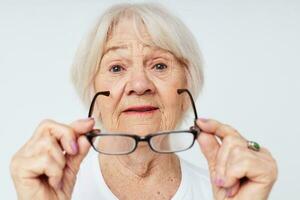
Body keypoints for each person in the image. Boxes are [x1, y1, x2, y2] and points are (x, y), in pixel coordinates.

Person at [10, 3, 278, 200]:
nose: (139, 85)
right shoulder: (49, 189)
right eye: (116, 68)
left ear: (187, 86)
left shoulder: (226, 192)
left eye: (160, 66)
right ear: (92, 89)